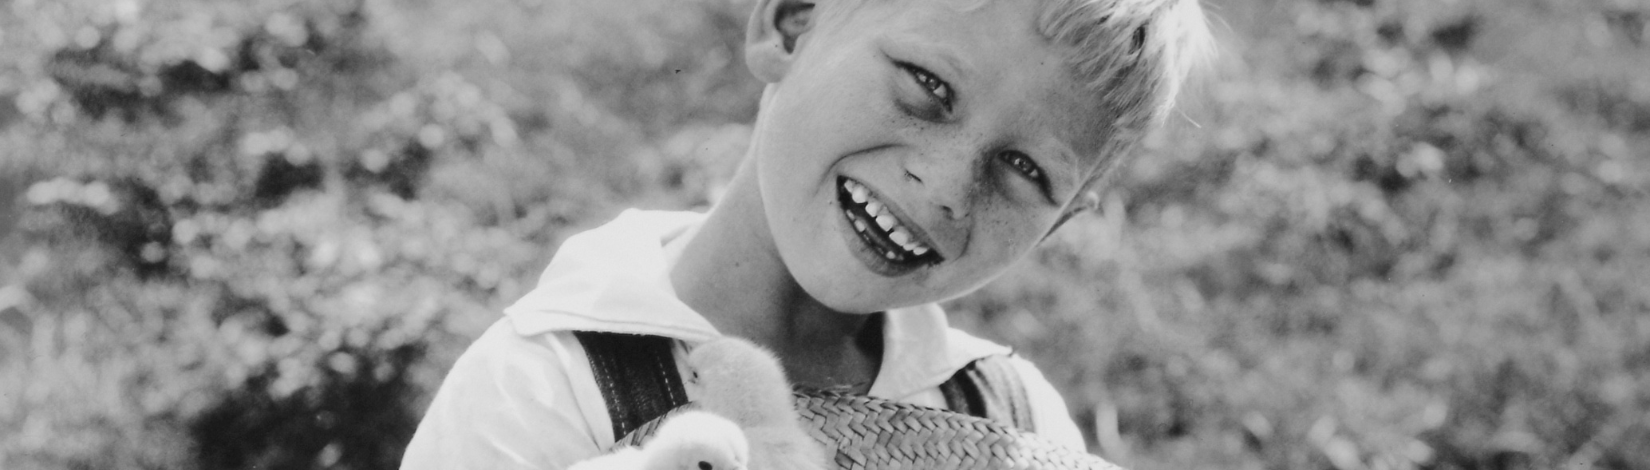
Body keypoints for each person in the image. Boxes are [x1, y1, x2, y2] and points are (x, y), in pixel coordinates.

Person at [401, 0, 1211, 467]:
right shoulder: (538, 391)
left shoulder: (1012, 416)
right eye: (928, 85)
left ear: (1062, 222)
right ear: (791, 23)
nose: (946, 187)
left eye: (1026, 171)